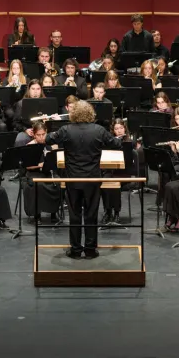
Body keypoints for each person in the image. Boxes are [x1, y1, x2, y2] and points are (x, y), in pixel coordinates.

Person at [46, 101, 123, 258]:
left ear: (73, 114)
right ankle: (90, 249)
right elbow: (116, 144)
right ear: (90, 114)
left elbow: (48, 140)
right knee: (91, 213)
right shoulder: (99, 130)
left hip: (72, 179)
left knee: (74, 214)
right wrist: (119, 138)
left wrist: (49, 124)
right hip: (92, 179)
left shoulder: (66, 129)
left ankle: (75, 250)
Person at [20, 122, 62, 224]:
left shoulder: (50, 144)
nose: (41, 137)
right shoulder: (29, 146)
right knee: (38, 185)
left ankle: (53, 212)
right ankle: (36, 215)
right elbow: (27, 166)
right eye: (38, 135)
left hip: (47, 172)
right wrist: (40, 165)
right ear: (34, 135)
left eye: (43, 134)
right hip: (34, 173)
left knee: (57, 183)